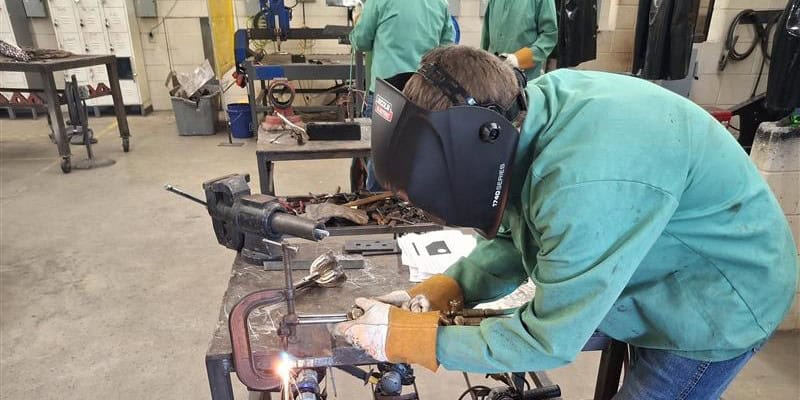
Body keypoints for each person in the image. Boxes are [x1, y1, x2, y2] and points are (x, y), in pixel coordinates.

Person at [332, 45, 798, 399]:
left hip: (718, 303)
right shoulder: (525, 113)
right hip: (645, 273)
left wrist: (407, 338)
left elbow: (547, 341)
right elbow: (519, 238)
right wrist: (442, 290)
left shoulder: (585, 181)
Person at [350, 0, 455, 192]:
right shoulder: (439, 3)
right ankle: (414, 209)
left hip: (387, 94)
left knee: (380, 154)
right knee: (417, 153)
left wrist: (357, 19)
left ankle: (377, 205)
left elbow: (361, 41)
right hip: (423, 93)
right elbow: (448, 46)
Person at [482, 0, 558, 80]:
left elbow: (549, 36)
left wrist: (519, 59)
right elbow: (486, 33)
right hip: (493, 76)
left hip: (524, 79)